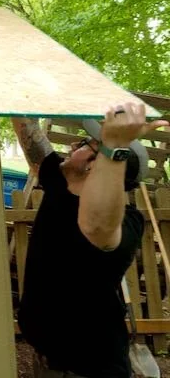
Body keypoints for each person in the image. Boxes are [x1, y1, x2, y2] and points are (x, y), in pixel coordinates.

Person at [12, 101, 168, 378]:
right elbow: (27, 127)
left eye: (86, 143)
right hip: (46, 363)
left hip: (92, 370)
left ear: (97, 164)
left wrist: (114, 145)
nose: (73, 145)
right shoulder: (60, 183)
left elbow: (95, 226)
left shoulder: (125, 220)